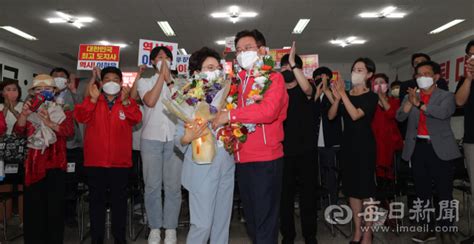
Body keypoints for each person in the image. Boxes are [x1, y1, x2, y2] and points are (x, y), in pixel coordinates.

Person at [212, 29, 289, 244]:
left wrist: (230, 115)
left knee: (265, 222)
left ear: (262, 50)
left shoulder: (274, 78)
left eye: (248, 48)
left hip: (266, 159)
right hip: (242, 159)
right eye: (238, 50)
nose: (242, 53)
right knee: (253, 222)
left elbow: (267, 111)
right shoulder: (239, 83)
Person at [74, 67, 142, 244]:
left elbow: (136, 119)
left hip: (120, 163)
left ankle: (120, 239)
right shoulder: (93, 100)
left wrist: (127, 102)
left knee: (119, 205)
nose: (111, 82)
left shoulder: (126, 102)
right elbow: (80, 116)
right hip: (95, 162)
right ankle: (97, 239)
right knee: (96, 205)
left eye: (115, 79)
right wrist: (93, 99)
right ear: (101, 82)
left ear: (121, 83)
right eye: (107, 79)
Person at [175, 47, 235, 244]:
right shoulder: (187, 98)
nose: (216, 71)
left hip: (226, 162)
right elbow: (178, 140)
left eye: (218, 67)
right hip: (201, 167)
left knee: (222, 223)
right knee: (202, 225)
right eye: (210, 67)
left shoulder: (227, 97)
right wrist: (188, 137)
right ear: (196, 73)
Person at [396, 61, 461, 243]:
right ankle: (427, 228)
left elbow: (443, 113)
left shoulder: (446, 96)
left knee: (444, 192)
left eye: (426, 73)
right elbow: (399, 116)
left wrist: (420, 105)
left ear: (436, 77)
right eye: (418, 74)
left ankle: (446, 230)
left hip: (440, 149)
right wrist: (410, 103)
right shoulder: (411, 96)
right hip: (418, 148)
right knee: (422, 191)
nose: (422, 77)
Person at [14, 74, 74, 244]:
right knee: (33, 211)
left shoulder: (64, 109)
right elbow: (19, 131)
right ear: (33, 93)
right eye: (38, 90)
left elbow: (69, 131)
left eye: (47, 89)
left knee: (54, 211)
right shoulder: (29, 108)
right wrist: (25, 114)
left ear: (54, 91)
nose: (43, 92)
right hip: (34, 166)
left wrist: (49, 122)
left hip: (56, 164)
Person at [328, 58, 378, 244]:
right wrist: (338, 98)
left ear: (369, 74)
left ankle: (367, 233)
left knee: (367, 191)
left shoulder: (371, 97)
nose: (356, 72)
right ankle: (357, 231)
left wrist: (343, 95)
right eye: (354, 69)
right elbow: (331, 115)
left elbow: (356, 115)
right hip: (347, 146)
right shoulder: (345, 94)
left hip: (365, 147)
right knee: (352, 190)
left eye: (360, 69)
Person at [136, 46, 182, 244]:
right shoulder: (144, 81)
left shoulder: (179, 82)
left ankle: (170, 228)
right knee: (152, 186)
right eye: (159, 58)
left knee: (173, 187)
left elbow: (181, 103)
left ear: (172, 61)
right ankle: (155, 227)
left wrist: (169, 80)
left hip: (174, 139)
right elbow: (151, 101)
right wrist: (161, 78)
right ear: (153, 62)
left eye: (166, 58)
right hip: (151, 140)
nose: (163, 60)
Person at [279, 42, 319, 244]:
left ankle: (310, 236)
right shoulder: (277, 93)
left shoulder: (308, 88)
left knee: (308, 198)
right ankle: (288, 236)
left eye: (290, 68)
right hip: (283, 153)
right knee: (284, 199)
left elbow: (307, 89)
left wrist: (294, 64)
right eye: (283, 68)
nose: (286, 71)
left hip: (307, 152)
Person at [50, 67, 87, 227]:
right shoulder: (46, 95)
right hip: (51, 145)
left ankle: (70, 215)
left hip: (72, 145)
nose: (58, 78)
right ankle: (54, 214)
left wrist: (73, 90)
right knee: (54, 181)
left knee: (71, 182)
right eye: (55, 76)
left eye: (62, 76)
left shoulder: (73, 94)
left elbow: (82, 109)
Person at [313, 66, 342, 205]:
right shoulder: (314, 95)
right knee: (318, 176)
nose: (320, 80)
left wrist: (326, 89)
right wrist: (316, 96)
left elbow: (337, 107)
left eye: (323, 77)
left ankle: (333, 205)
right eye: (317, 77)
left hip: (331, 143)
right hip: (315, 143)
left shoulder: (335, 93)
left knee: (331, 175)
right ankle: (320, 204)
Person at [455, 40, 474, 243]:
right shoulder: (465, 79)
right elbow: (459, 101)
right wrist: (468, 80)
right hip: (471, 140)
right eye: (469, 54)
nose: (472, 58)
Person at [370, 73, 403, 181]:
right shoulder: (369, 103)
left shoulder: (395, 101)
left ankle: (389, 194)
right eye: (376, 83)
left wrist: (381, 97)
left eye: (382, 82)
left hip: (390, 141)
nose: (379, 85)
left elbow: (391, 114)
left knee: (390, 172)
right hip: (374, 140)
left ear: (387, 86)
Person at [0, 79, 24, 223]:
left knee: (22, 185)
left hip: (20, 150)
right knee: (4, 186)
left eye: (14, 89)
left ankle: (23, 219)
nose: (11, 92)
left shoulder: (24, 106)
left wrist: (13, 110)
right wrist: (5, 108)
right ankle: (4, 219)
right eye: (7, 90)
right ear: (2, 92)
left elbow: (24, 126)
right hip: (2, 152)